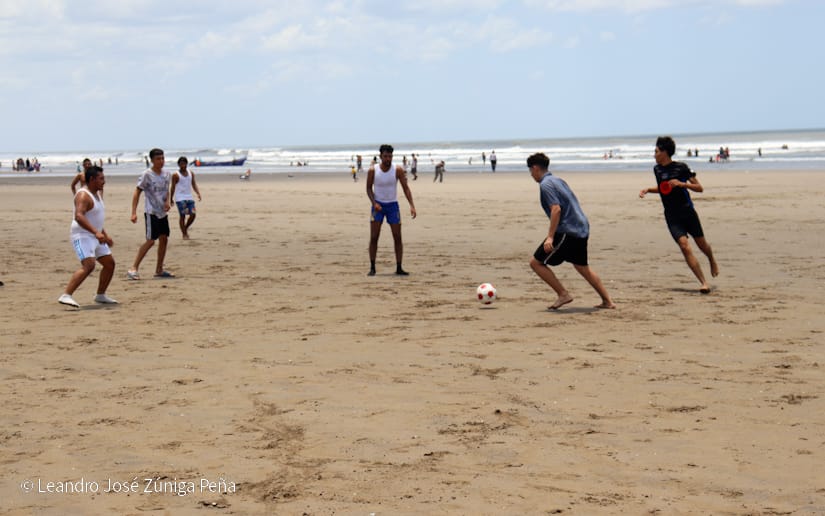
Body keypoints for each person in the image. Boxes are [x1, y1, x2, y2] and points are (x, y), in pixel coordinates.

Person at [527, 153, 615, 310]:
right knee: (582, 267)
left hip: (568, 230)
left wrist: (550, 237)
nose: (531, 175)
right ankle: (608, 301)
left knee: (536, 263)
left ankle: (563, 294)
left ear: (535, 168)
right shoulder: (558, 180)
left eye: (530, 171)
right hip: (581, 226)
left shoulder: (546, 185)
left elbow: (556, 209)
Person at [639, 136, 719, 293]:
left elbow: (699, 188)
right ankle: (703, 282)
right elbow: (664, 189)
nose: (654, 155)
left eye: (656, 151)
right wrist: (648, 189)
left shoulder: (681, 168)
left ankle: (711, 259)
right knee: (684, 246)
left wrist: (682, 184)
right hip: (672, 216)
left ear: (665, 152)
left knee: (702, 245)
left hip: (687, 212)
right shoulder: (657, 169)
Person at [58, 166, 117, 308]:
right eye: (101, 178)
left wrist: (105, 236)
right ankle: (66, 295)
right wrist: (96, 232)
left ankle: (100, 295)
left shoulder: (97, 194)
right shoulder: (83, 195)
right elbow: (79, 216)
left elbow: (97, 219)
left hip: (95, 235)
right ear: (92, 179)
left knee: (109, 264)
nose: (104, 181)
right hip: (82, 235)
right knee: (89, 265)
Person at [366, 144, 417, 276]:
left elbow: (406, 188)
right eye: (385, 156)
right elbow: (368, 189)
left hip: (393, 206)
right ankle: (372, 267)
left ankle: (399, 267)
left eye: (390, 156)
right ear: (380, 156)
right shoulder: (373, 170)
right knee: (374, 237)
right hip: (378, 206)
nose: (388, 159)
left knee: (397, 237)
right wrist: (374, 202)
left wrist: (411, 205)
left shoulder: (397, 170)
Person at [128, 148, 174, 280]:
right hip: (151, 212)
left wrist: (167, 202)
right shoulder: (147, 175)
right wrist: (133, 212)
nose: (161, 161)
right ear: (152, 160)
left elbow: (167, 190)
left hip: (162, 213)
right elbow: (137, 192)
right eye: (158, 159)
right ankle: (133, 268)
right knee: (150, 241)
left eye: (163, 158)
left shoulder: (167, 174)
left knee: (164, 239)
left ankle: (159, 269)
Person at [170, 156, 202, 240]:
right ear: (178, 165)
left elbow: (193, 184)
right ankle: (184, 234)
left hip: (189, 197)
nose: (183, 165)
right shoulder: (176, 175)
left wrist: (198, 193)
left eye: (184, 163)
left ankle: (185, 228)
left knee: (193, 214)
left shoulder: (191, 173)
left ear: (187, 164)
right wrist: (171, 199)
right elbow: (172, 187)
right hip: (180, 198)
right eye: (181, 164)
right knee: (183, 215)